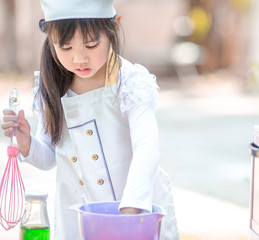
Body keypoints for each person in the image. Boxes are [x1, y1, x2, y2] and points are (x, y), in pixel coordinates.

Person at [0, 0, 178, 239]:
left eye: (91, 45)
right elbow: (50, 156)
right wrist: (27, 144)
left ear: (113, 27)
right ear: (50, 39)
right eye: (65, 47)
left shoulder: (130, 83)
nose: (79, 59)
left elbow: (147, 146)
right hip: (78, 218)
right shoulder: (51, 89)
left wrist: (130, 209)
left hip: (136, 214)